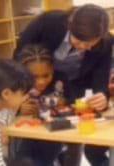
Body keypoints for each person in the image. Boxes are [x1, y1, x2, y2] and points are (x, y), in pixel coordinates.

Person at [13, 4, 114, 166]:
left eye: (91, 43)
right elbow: (19, 55)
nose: (84, 47)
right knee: (37, 134)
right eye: (79, 41)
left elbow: (101, 81)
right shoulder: (49, 23)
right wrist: (19, 99)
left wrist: (102, 95)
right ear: (70, 26)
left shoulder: (105, 42)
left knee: (71, 132)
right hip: (39, 76)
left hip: (72, 85)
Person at [10, 44, 73, 166]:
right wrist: (18, 109)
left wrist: (64, 102)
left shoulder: (60, 78)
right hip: (24, 136)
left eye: (46, 75)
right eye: (34, 77)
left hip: (53, 133)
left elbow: (72, 100)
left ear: (53, 69)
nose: (41, 81)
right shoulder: (15, 83)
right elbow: (1, 110)